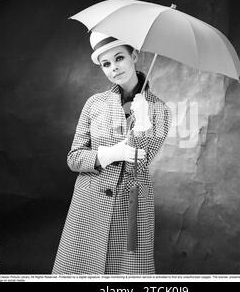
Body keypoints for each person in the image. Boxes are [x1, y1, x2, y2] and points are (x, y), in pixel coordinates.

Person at [52, 31, 172, 274]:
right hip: (88, 204)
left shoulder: (159, 110)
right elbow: (74, 158)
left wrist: (143, 123)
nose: (114, 68)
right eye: (106, 63)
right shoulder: (94, 103)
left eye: (119, 58)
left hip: (130, 205)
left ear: (134, 56)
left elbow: (140, 163)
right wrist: (108, 154)